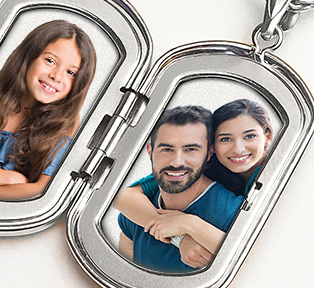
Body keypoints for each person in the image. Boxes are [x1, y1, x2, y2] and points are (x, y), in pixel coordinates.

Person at [0, 19, 96, 200]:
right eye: (50, 61)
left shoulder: (67, 123)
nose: (56, 76)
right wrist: (12, 179)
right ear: (28, 57)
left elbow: (41, 191)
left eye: (71, 73)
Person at [114, 99, 273, 269]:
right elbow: (121, 196)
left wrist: (189, 224)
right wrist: (179, 238)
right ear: (213, 149)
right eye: (225, 139)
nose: (238, 149)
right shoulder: (193, 172)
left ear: (267, 137)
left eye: (250, 136)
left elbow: (262, 260)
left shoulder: (274, 181)